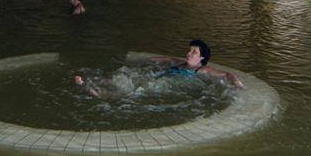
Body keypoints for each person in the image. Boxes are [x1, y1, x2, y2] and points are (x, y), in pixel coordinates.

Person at [75, 38, 243, 96]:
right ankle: (94, 82)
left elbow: (226, 75)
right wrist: (146, 59)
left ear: (202, 57)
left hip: (168, 85)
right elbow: (167, 58)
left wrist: (236, 84)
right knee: (124, 77)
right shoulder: (179, 63)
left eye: (194, 52)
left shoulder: (201, 70)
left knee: (140, 88)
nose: (189, 53)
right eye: (189, 50)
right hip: (158, 77)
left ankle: (101, 95)